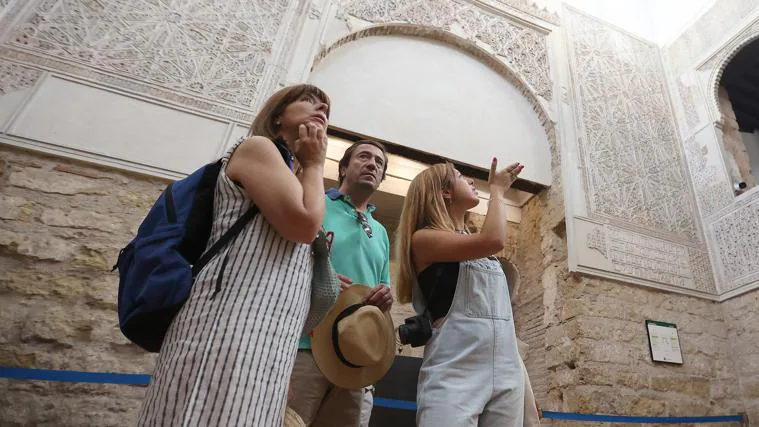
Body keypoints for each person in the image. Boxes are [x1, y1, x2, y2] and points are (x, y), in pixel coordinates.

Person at [137, 84, 331, 427]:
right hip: (226, 323)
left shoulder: (295, 177)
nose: (321, 109)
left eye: (326, 108)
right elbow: (303, 225)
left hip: (267, 337)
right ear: (276, 118)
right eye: (307, 100)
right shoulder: (258, 148)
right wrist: (315, 164)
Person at [395, 159, 526, 427]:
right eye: (459, 176)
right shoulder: (425, 239)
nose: (469, 180)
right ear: (444, 191)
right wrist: (497, 192)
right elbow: (493, 240)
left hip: (507, 373)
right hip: (455, 371)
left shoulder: (475, 246)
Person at [289, 140, 393, 427]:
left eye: (379, 162)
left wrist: (385, 295)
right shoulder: (316, 204)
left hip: (352, 358)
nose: (372, 163)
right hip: (305, 346)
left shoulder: (382, 233)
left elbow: (384, 284)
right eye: (364, 157)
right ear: (344, 167)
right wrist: (320, 275)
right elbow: (283, 262)